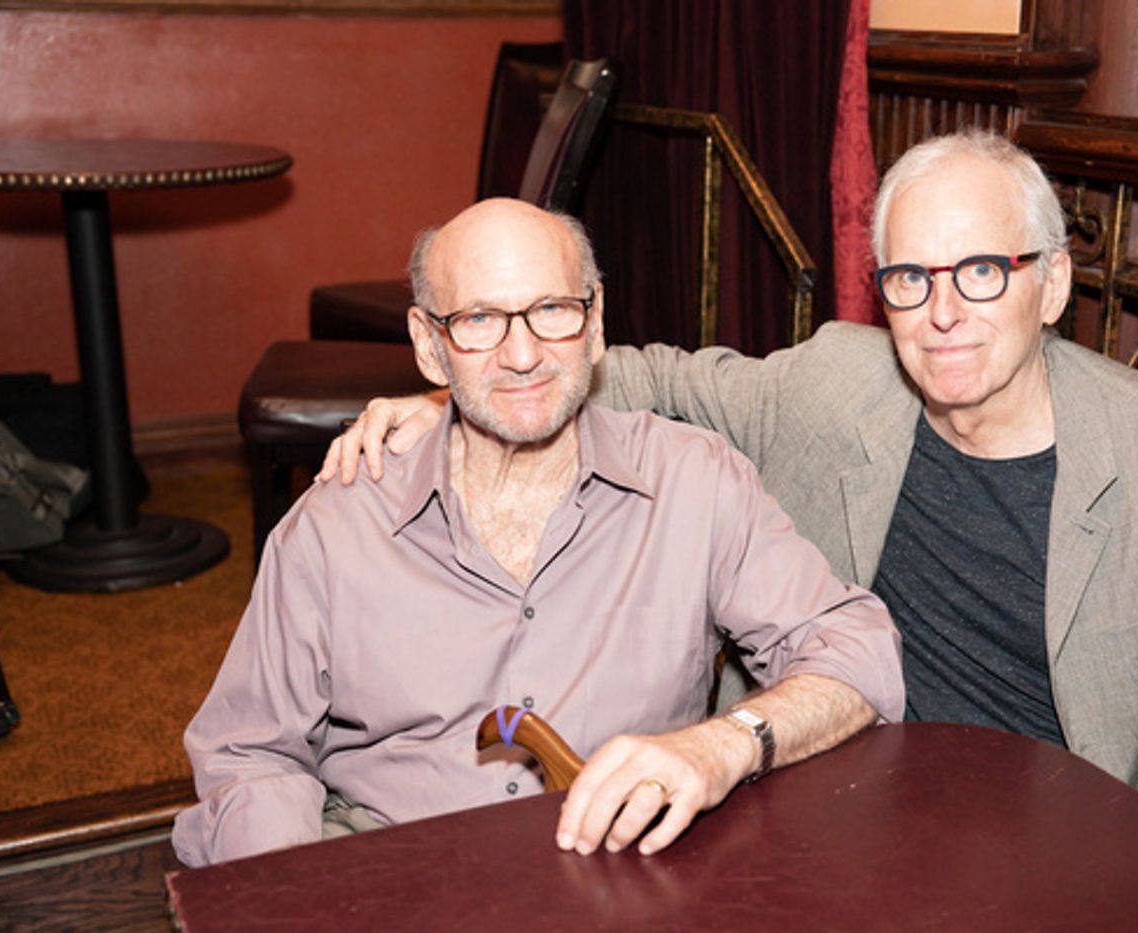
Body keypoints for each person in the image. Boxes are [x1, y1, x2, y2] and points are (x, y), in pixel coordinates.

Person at [323, 131, 1138, 870]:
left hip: (1087, 830)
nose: (943, 312)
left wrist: (1131, 869)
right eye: (910, 279)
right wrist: (460, 397)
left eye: (982, 272)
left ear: (1053, 284)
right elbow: (650, 376)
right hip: (860, 815)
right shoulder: (836, 383)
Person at [173, 199, 904, 868]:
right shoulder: (338, 524)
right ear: (429, 345)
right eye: (479, 320)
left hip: (624, 880)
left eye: (551, 309)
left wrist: (724, 743)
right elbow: (249, 753)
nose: (522, 355)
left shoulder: (694, 483)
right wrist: (292, 895)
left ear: (595, 321)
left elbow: (858, 651)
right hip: (396, 877)